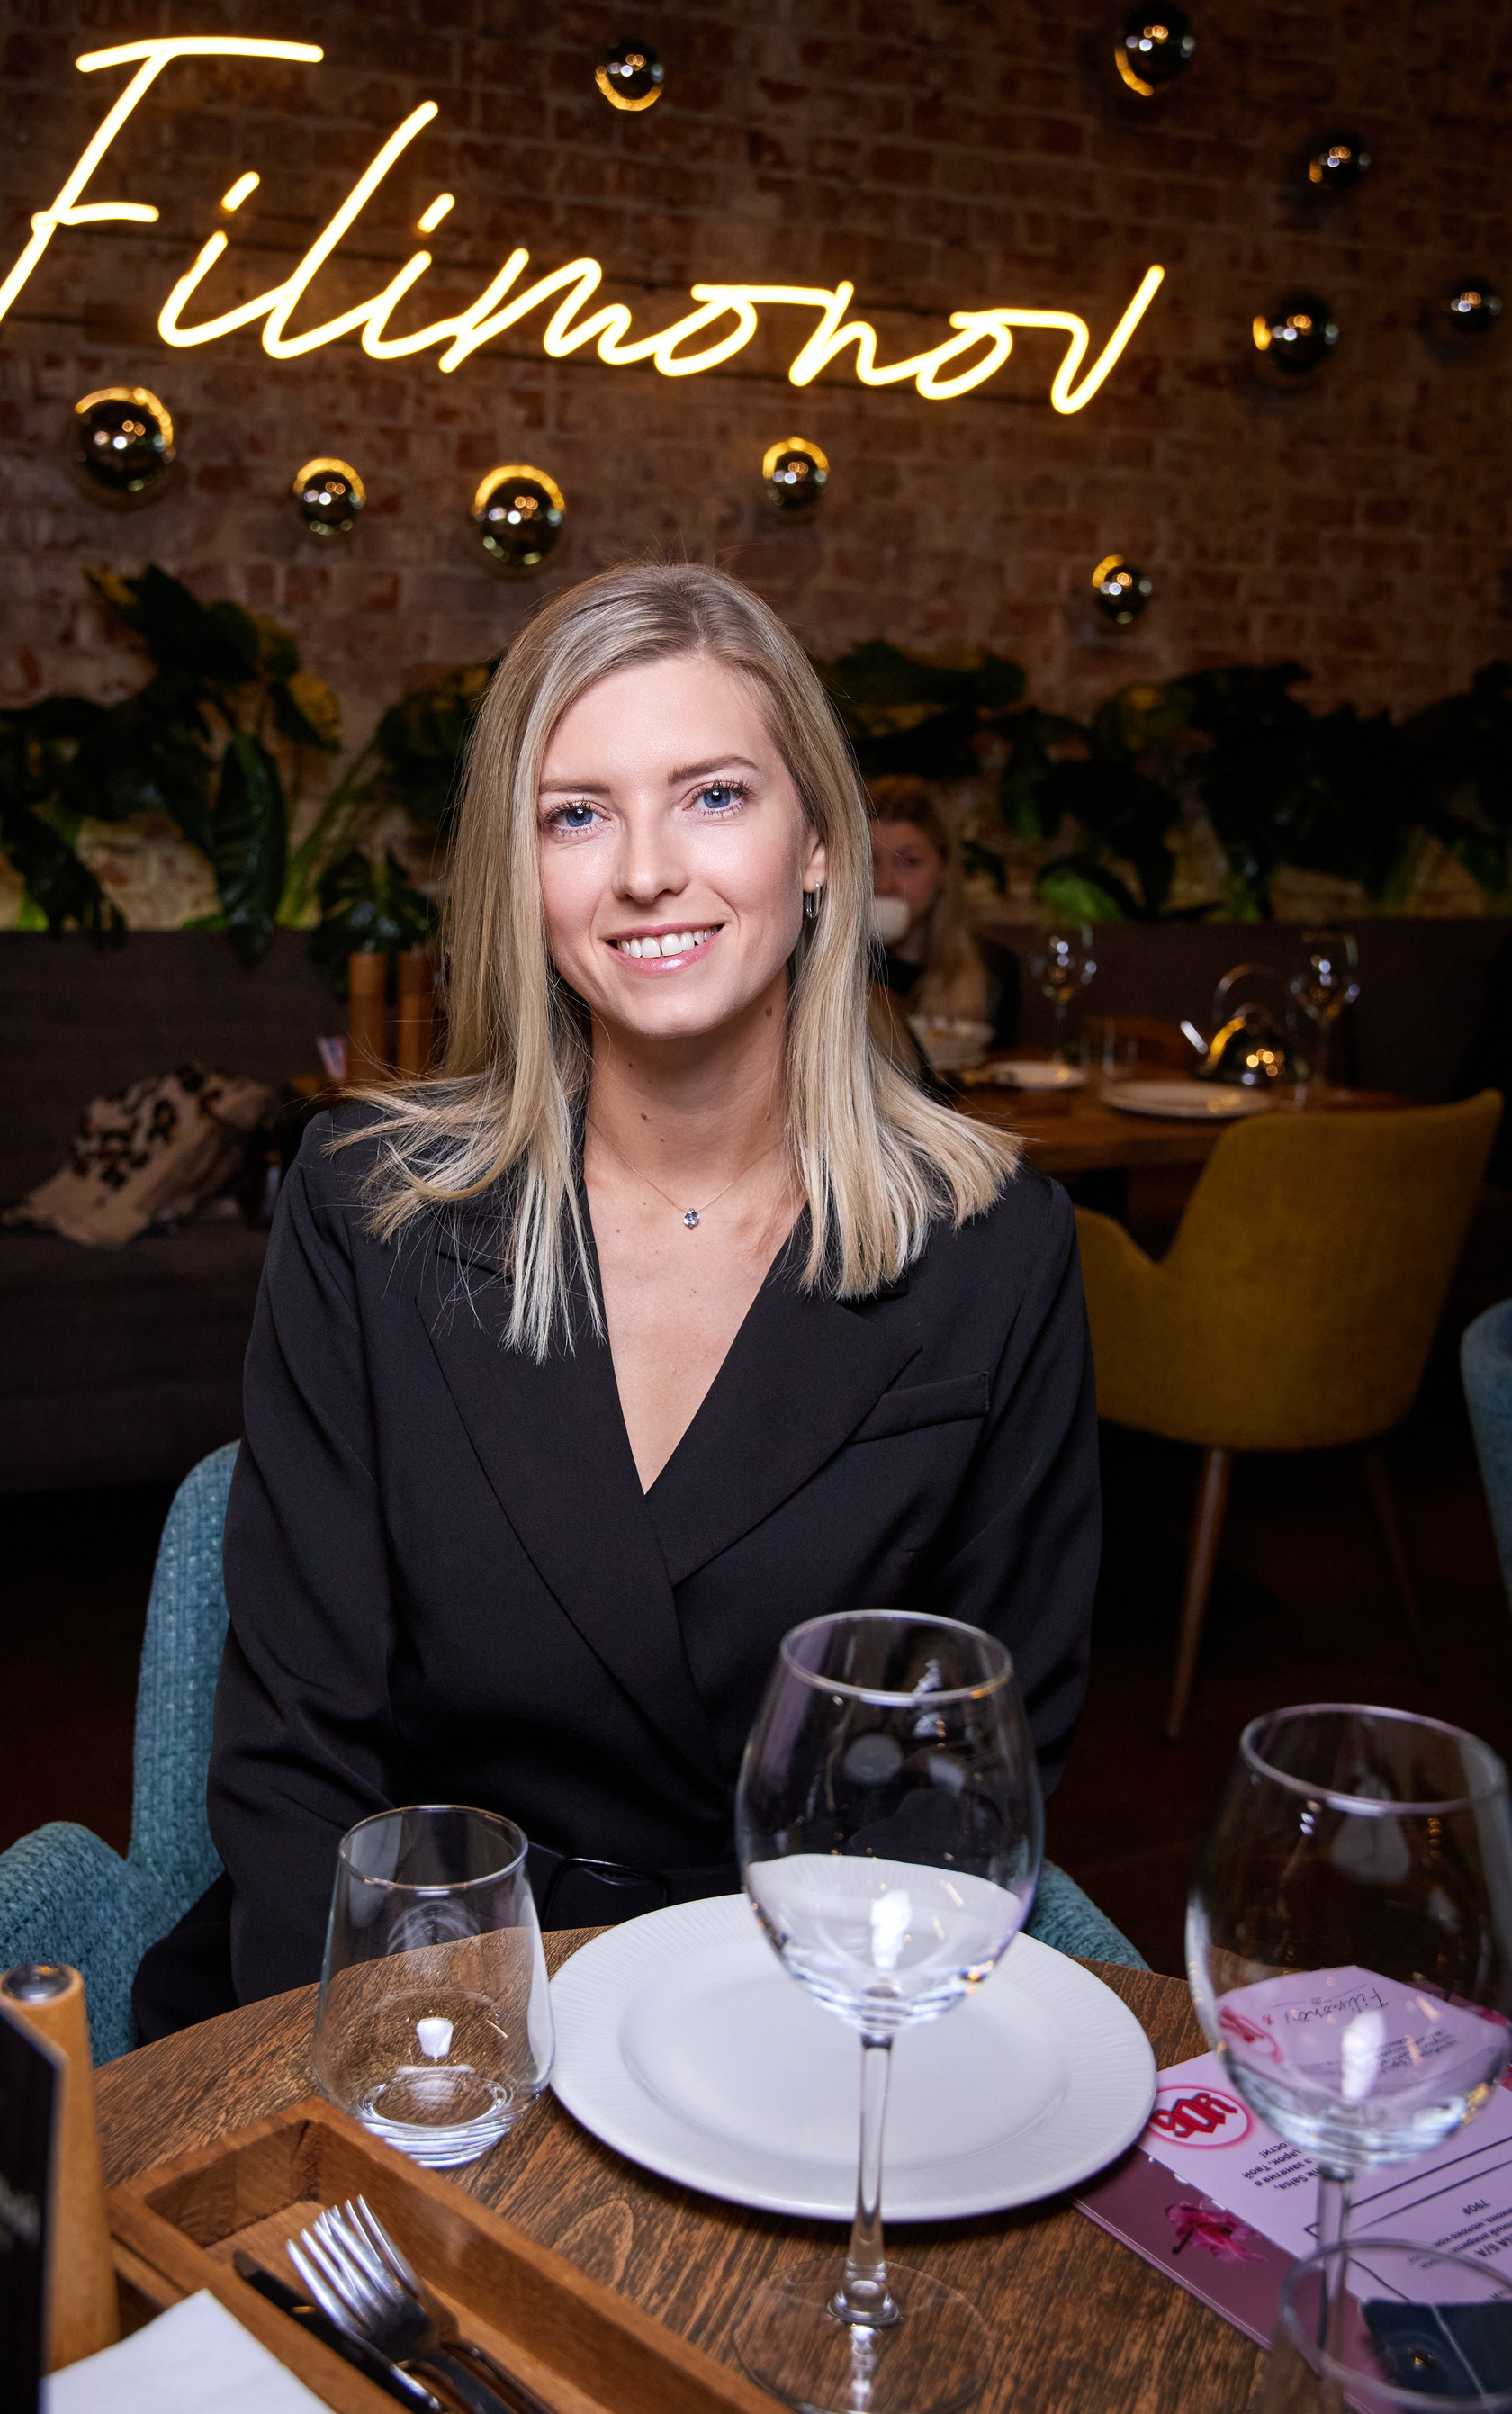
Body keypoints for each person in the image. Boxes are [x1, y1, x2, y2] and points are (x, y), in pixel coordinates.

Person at [132, 563, 1100, 2039]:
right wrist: (368, 2069)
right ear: (521, 876)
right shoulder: (367, 1209)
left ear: (819, 843)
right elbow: (295, 1757)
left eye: (713, 795)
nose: (647, 871)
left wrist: (814, 2066)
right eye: (576, 815)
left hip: (787, 2015)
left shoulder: (999, 1247)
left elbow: (975, 1769)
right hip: (423, 2000)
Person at [867, 775, 1021, 1051]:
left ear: (945, 869)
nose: (884, 883)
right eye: (870, 861)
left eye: (909, 862)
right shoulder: (838, 968)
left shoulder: (992, 970)